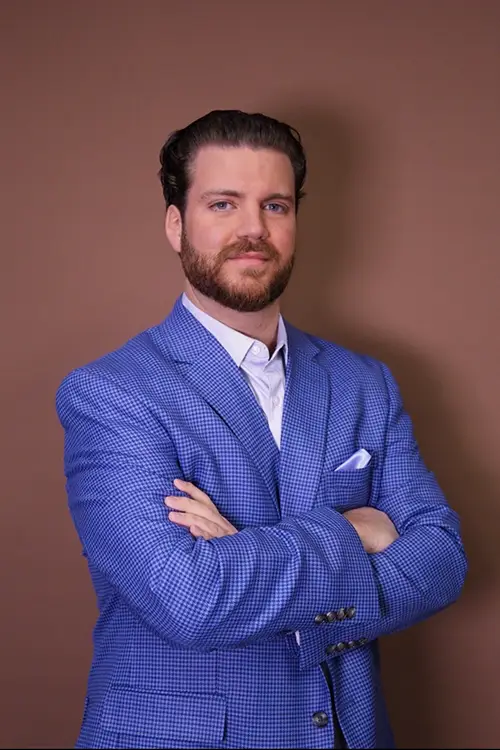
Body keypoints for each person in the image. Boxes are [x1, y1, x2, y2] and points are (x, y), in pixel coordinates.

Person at [55, 109, 467, 749]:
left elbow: (441, 560)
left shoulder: (365, 383)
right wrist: (357, 532)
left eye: (275, 206)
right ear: (176, 224)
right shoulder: (111, 394)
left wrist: (241, 554)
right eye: (223, 203)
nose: (253, 229)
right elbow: (190, 600)